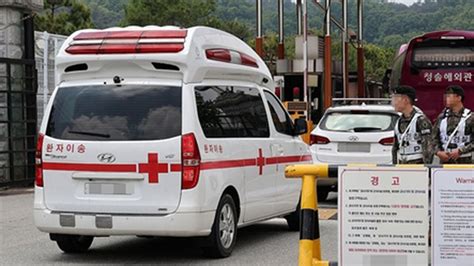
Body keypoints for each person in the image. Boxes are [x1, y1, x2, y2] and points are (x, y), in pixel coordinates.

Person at [391, 86, 433, 164]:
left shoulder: (421, 120)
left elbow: (428, 148)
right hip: (402, 164)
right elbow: (395, 147)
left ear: (406, 100)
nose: (393, 102)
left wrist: (427, 168)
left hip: (417, 165)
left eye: (396, 98)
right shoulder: (399, 121)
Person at [433, 85, 473, 164]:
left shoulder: (470, 117)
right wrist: (438, 152)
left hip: (464, 161)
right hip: (445, 161)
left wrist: (461, 151)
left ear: (459, 98)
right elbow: (433, 138)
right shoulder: (442, 117)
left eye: (449, 96)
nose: (446, 99)